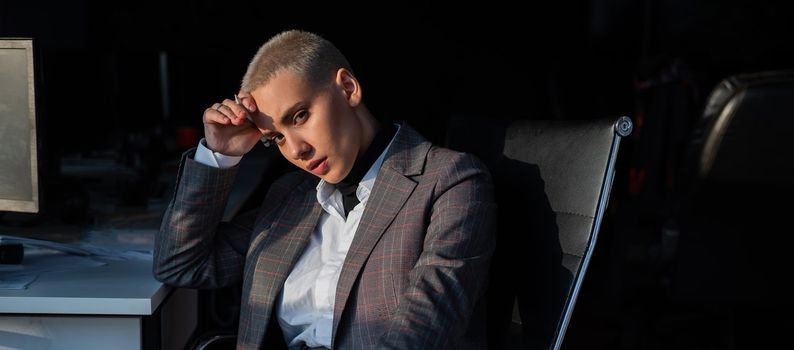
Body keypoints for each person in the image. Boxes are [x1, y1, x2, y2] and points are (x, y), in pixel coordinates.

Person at [154, 29, 496, 350]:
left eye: (300, 116)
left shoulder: (448, 182)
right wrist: (219, 155)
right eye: (276, 139)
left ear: (348, 87)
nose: (296, 150)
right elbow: (181, 263)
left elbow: (424, 328)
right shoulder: (291, 197)